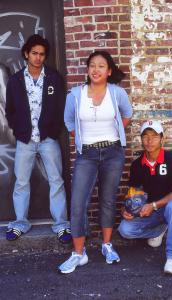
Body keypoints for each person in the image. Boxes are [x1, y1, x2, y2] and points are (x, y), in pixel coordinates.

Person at [58, 50, 132, 273]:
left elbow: (126, 114)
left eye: (101, 66)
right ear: (87, 70)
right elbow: (69, 121)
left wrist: (113, 135)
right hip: (86, 155)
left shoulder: (117, 93)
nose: (96, 69)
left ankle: (107, 245)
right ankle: (78, 254)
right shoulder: (75, 95)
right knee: (78, 202)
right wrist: (84, 140)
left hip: (113, 152)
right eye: (92, 65)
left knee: (108, 200)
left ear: (109, 71)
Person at [5, 34, 71, 243]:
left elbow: (61, 107)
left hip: (48, 139)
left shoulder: (53, 78)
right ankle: (20, 223)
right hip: (25, 140)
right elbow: (10, 111)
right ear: (26, 54)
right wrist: (19, 130)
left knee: (56, 181)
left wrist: (52, 131)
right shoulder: (15, 80)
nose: (38, 58)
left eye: (42, 54)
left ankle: (61, 225)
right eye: (34, 53)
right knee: (21, 182)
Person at [118, 120, 172, 275]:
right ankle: (160, 230)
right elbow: (133, 193)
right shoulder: (137, 165)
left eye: (154, 136)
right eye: (145, 136)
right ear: (141, 139)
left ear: (162, 139)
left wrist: (154, 205)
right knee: (125, 229)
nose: (149, 141)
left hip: (171, 208)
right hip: (151, 212)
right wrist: (127, 209)